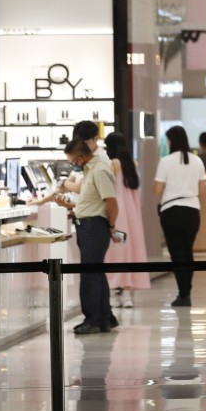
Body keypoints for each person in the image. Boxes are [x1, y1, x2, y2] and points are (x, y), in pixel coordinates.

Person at [64, 138, 120, 335]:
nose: (73, 165)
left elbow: (111, 203)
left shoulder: (100, 170)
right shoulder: (89, 170)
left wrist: (112, 226)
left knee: (90, 275)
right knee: (96, 274)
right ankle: (105, 318)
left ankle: (93, 319)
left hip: (94, 227)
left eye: (72, 161)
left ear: (81, 156)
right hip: (87, 226)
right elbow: (91, 201)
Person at [153, 125, 206, 307]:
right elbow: (203, 190)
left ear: (171, 141)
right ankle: (186, 292)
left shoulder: (166, 161)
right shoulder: (197, 161)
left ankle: (183, 293)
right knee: (187, 251)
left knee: (177, 254)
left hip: (171, 211)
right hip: (192, 211)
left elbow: (157, 190)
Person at [103, 132, 150, 308]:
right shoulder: (133, 164)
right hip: (132, 217)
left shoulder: (112, 164)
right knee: (129, 252)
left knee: (115, 252)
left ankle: (116, 291)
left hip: (118, 215)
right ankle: (128, 293)